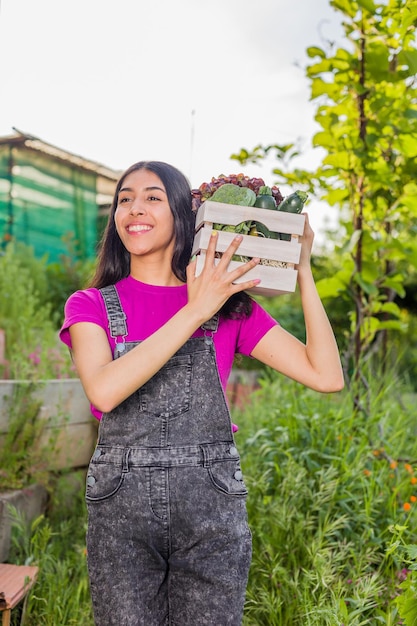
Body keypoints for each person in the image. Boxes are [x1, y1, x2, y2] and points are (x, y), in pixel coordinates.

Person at [59, 160, 344, 626]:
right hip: (122, 513)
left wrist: (304, 269)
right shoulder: (90, 305)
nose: (135, 208)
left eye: (153, 197)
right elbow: (105, 390)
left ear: (182, 213)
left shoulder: (231, 309)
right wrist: (195, 311)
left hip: (210, 507)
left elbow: (326, 376)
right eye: (124, 198)